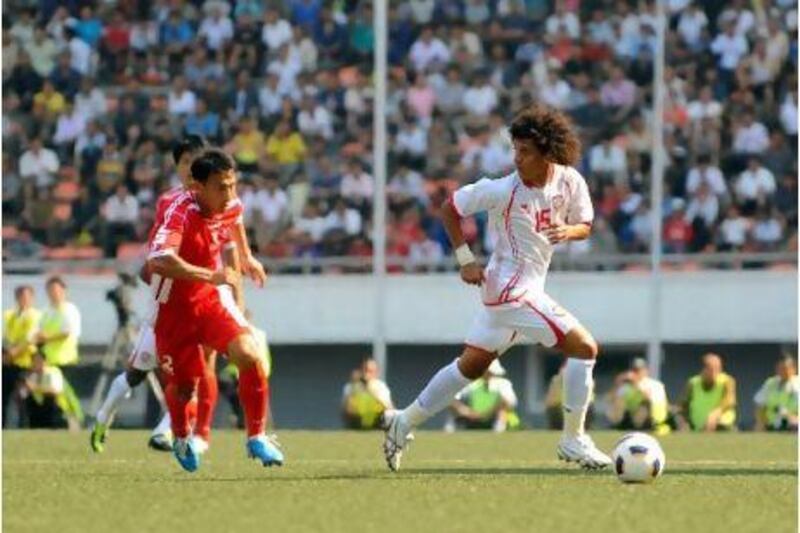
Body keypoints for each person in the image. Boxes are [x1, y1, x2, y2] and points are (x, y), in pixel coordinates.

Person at [382, 104, 611, 471]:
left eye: (526, 152)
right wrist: (465, 259)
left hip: (527, 287)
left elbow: (585, 223)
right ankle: (573, 439)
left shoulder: (570, 181)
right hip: (510, 289)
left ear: (548, 153)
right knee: (585, 348)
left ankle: (403, 421)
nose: (518, 159)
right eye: (515, 150)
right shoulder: (502, 189)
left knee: (470, 367)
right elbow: (449, 208)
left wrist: (568, 232)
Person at [91, 136, 267, 454]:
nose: (189, 168)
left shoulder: (224, 196)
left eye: (194, 161)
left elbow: (231, 228)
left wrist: (243, 265)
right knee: (139, 372)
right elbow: (158, 257)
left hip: (209, 291)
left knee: (216, 363)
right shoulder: (171, 205)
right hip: (169, 297)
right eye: (184, 162)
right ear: (179, 168)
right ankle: (104, 417)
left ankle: (195, 435)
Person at [146, 149, 282, 472]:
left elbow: (234, 219)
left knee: (249, 354)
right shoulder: (178, 211)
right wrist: (212, 274)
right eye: (221, 187)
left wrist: (247, 257)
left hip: (209, 300)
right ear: (197, 187)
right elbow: (159, 261)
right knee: (184, 387)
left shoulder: (230, 203)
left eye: (233, 185)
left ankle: (257, 436)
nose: (230, 194)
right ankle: (180, 436)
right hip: (173, 310)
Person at [3, 285, 41, 427]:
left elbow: (29, 338)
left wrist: (13, 352)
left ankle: (26, 426)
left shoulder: (35, 315)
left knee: (24, 397)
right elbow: (7, 336)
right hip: (9, 362)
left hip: (26, 363)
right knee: (5, 396)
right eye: (21, 296)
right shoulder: (10, 315)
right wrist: (6, 353)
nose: (24, 300)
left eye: (27, 297)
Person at [445, 359, 520, 432]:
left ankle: (498, 434)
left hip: (491, 418)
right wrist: (466, 411)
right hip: (470, 418)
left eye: (491, 372)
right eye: (487, 372)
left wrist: (488, 413)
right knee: (453, 410)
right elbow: (450, 399)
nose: (489, 374)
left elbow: (510, 403)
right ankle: (449, 435)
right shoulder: (469, 383)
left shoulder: (503, 383)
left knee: (502, 411)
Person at [606, 358, 670, 435]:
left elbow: (650, 400)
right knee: (619, 403)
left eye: (639, 370)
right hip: (634, 424)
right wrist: (618, 383)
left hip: (655, 426)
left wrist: (636, 384)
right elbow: (610, 400)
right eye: (634, 371)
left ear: (646, 371)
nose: (636, 373)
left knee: (644, 405)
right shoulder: (627, 387)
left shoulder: (655, 385)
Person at [679, 353, 737, 431]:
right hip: (698, 430)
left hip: (722, 427)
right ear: (702, 369)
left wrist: (715, 414)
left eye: (717, 368)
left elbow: (730, 400)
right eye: (710, 369)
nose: (714, 372)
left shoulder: (727, 381)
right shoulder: (692, 383)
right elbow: (683, 405)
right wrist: (684, 422)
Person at [341, 358, 393, 430]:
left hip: (376, 424)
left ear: (376, 373)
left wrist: (370, 389)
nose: (367, 374)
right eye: (365, 370)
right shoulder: (351, 386)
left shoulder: (380, 387)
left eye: (370, 371)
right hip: (356, 423)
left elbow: (390, 410)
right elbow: (345, 410)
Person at [21, 351, 66, 428]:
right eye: (34, 361)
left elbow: (56, 390)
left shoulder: (52, 372)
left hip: (52, 410)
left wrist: (36, 388)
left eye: (39, 361)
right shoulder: (32, 375)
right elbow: (23, 394)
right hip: (35, 411)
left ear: (45, 361)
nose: (36, 364)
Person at [754, 355, 798, 432]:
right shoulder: (770, 383)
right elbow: (759, 404)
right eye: (780, 369)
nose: (784, 372)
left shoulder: (797, 384)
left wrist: (790, 417)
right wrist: (760, 423)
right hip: (772, 425)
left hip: (793, 425)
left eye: (786, 368)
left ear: (794, 369)